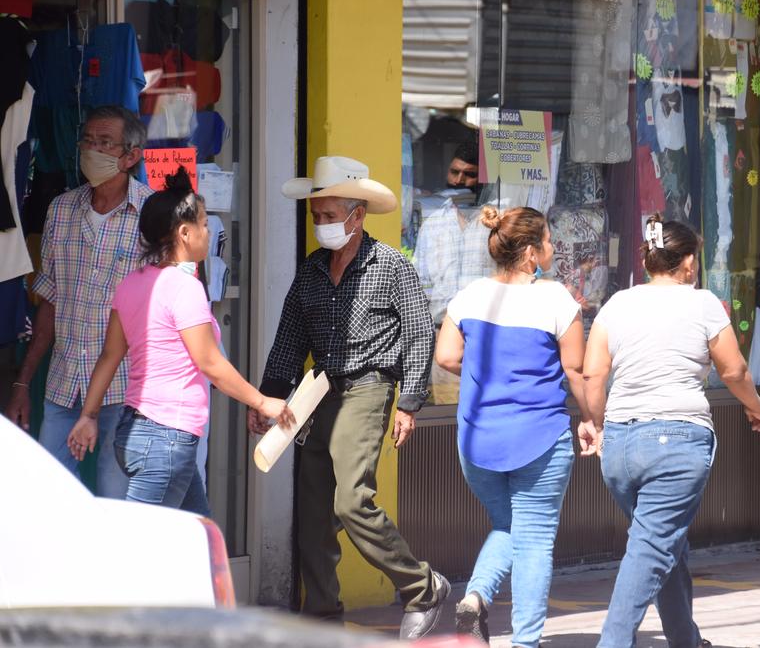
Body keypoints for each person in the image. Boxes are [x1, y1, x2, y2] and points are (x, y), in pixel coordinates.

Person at [255, 155, 447, 638]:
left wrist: (409, 402)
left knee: (351, 502)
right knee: (313, 513)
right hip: (317, 394)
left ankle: (422, 587)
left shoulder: (392, 266)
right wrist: (269, 398)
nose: (320, 225)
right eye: (316, 216)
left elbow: (420, 334)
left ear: (356, 215)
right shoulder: (311, 271)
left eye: (328, 216)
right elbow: (288, 340)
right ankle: (320, 617)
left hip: (369, 388)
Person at [579, 214, 760, 648]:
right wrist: (756, 407)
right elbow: (734, 369)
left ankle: (685, 638)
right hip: (676, 442)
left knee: (664, 540)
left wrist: (595, 422)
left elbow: (593, 375)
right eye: (694, 259)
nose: (695, 267)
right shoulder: (701, 303)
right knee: (650, 550)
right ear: (686, 263)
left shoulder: (617, 303)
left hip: (621, 447)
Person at [65, 167, 293, 513]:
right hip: (166, 438)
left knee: (198, 539)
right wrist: (262, 402)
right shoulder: (185, 289)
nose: (207, 231)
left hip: (137, 432)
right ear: (184, 233)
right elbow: (211, 364)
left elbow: (110, 356)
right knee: (147, 549)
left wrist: (88, 415)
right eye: (203, 224)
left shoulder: (132, 284)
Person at [434, 206, 588, 648]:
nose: (553, 247)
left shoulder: (469, 296)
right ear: (530, 253)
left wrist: (489, 372)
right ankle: (524, 642)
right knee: (535, 540)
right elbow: (574, 370)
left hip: (477, 440)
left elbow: (446, 357)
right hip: (538, 438)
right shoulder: (557, 298)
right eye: (548, 239)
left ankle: (476, 597)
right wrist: (593, 419)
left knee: (510, 525)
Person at [5, 105, 152, 498]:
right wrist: (23, 382)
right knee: (50, 500)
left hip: (125, 393)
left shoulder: (153, 216)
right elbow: (49, 302)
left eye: (105, 143)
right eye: (88, 140)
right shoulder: (61, 210)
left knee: (116, 501)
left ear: (131, 155)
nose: (93, 150)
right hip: (64, 384)